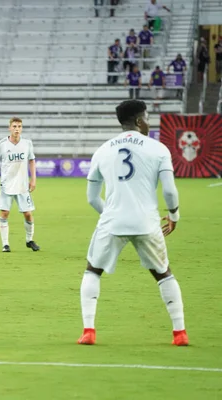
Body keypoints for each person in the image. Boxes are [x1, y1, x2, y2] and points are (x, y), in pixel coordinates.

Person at [77, 99, 188, 347]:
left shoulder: (103, 150)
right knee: (163, 274)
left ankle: (88, 331)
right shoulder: (158, 149)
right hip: (147, 222)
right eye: (147, 117)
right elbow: (169, 191)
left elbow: (91, 197)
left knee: (92, 270)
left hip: (113, 222)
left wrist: (112, 213)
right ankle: (179, 333)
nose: (149, 123)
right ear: (139, 121)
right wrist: (174, 215)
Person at [0, 117, 40, 253]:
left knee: (28, 214)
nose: (17, 129)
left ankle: (30, 240)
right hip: (7, 184)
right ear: (9, 128)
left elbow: (32, 161)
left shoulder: (27, 144)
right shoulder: (2, 144)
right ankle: (5, 244)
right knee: (5, 213)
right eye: (15, 126)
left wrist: (33, 179)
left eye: (19, 126)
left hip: (23, 185)